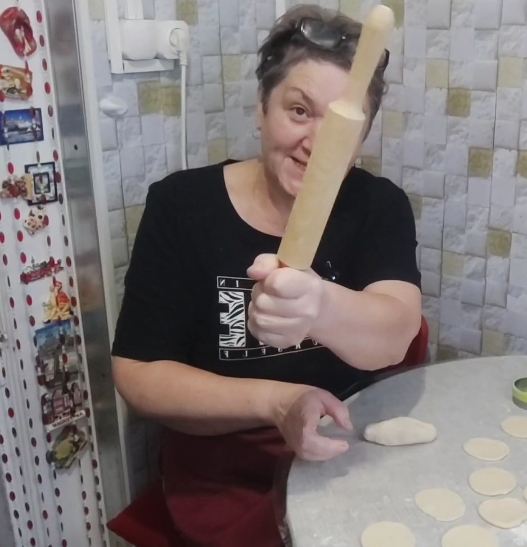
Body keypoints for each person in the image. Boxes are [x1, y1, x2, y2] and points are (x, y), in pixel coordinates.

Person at [109, 5, 422, 546]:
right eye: (299, 111)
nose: (316, 143)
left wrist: (321, 307)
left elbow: (396, 334)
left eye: (342, 126)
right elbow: (139, 375)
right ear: (261, 106)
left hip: (345, 458)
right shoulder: (182, 206)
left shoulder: (377, 206)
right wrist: (278, 403)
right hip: (222, 476)